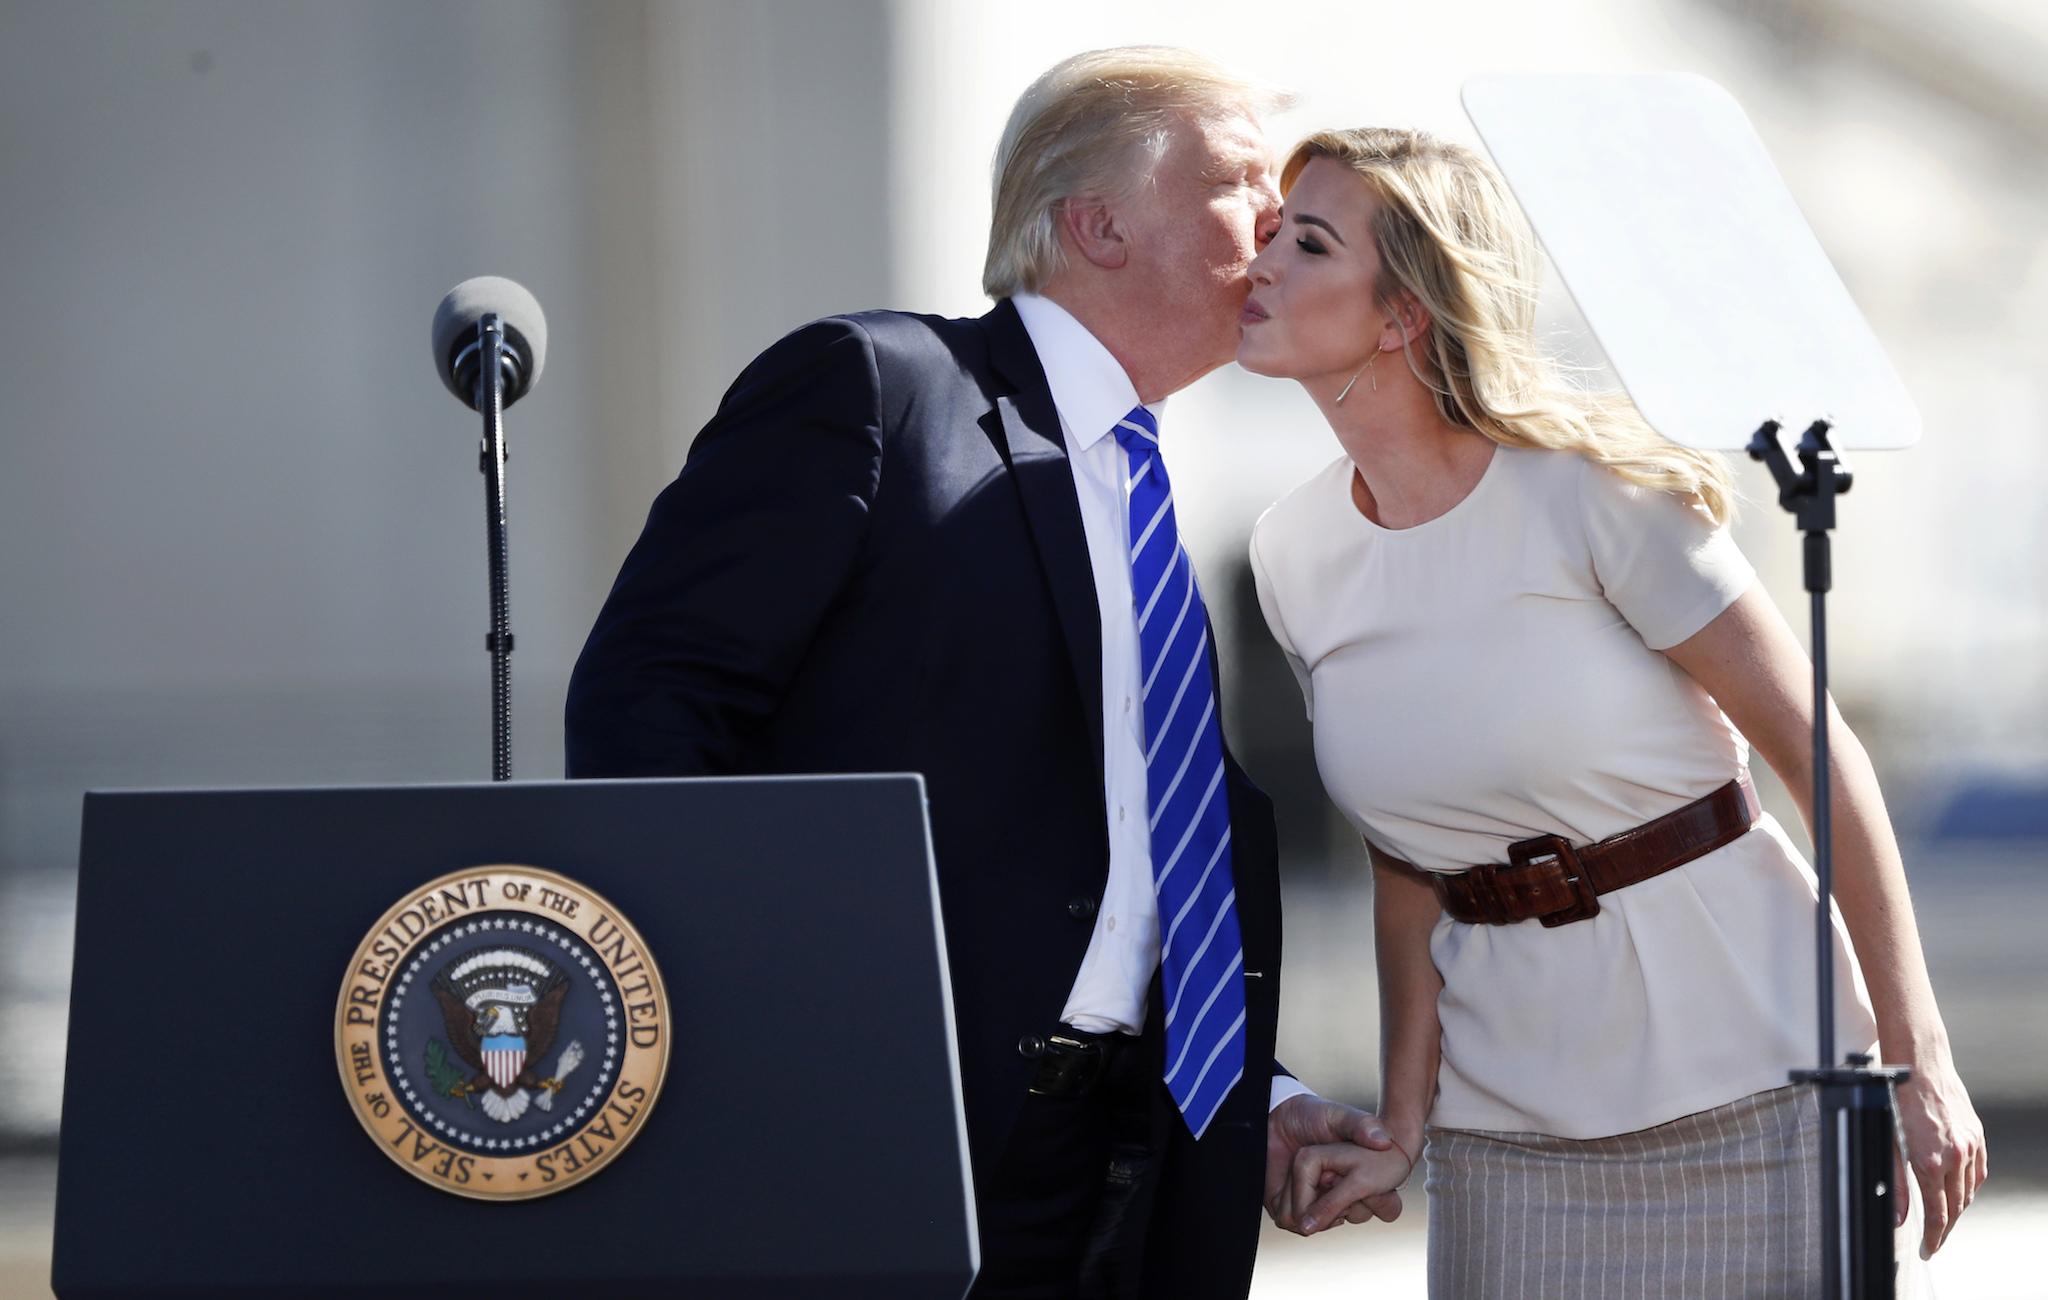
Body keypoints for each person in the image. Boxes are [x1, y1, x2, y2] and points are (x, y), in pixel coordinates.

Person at [565, 48, 1392, 1299]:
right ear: (1099, 223)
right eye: (1238, 183)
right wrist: (746, 1039)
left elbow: (1130, 841)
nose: (1278, 223)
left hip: (1131, 1164)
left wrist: (1250, 1090)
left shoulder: (1156, 494)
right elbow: (647, 709)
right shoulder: (878, 389)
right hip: (877, 1147)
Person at [1237, 127, 1986, 1294]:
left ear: (1401, 316)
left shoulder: (1593, 496)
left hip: (1756, 1082)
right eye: (1270, 231)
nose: (1260, 261)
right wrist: (1401, 1114)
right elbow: (1408, 860)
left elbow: (1817, 753)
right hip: (1509, 1126)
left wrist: (1918, 1057)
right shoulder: (1290, 552)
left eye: (1308, 241)